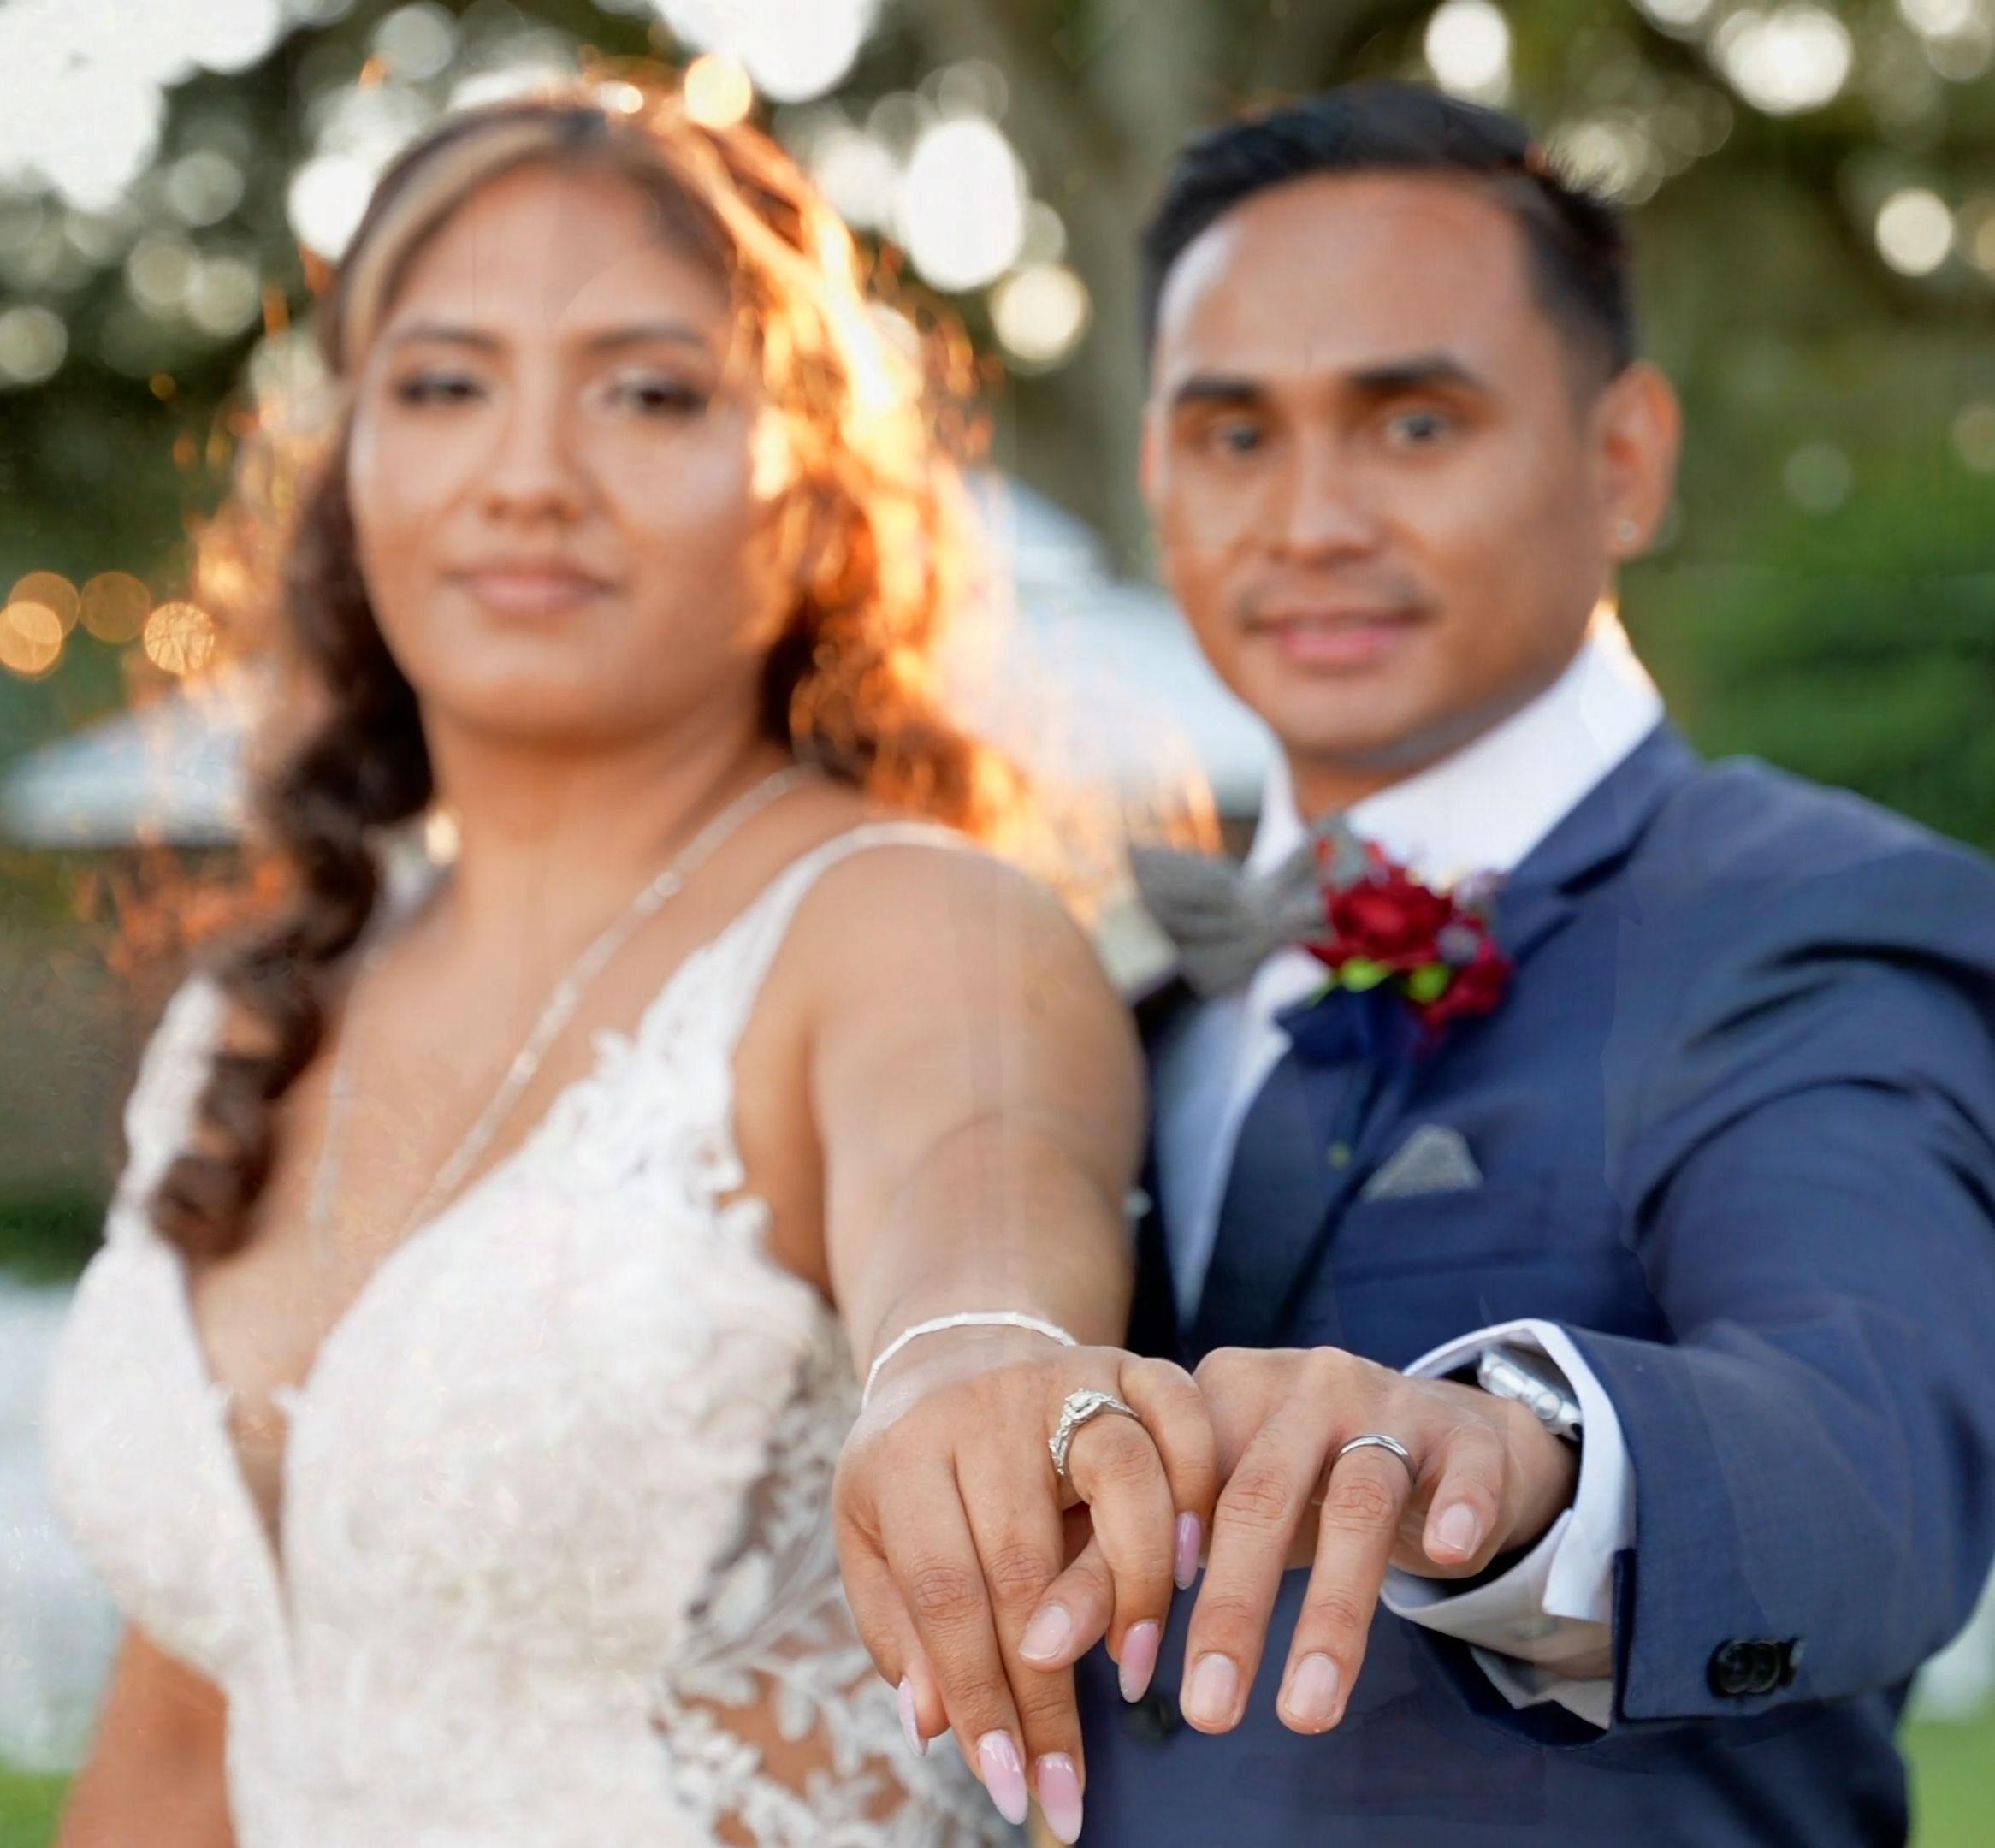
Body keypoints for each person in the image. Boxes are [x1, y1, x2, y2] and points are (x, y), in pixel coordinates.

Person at [42, 82, 1214, 1848]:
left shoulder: (910, 928)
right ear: (348, 474)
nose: (527, 477)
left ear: (815, 494)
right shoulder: (247, 1016)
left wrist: (976, 1360)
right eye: (444, 387)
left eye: (650, 392)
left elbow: (977, 1197)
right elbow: (184, 1736)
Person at [951, 81, 1995, 1844]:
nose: (1308, 520)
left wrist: (1506, 1458)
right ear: (1153, 474)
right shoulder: (1116, 1010)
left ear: (1623, 458)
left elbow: (1863, 1449)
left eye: (1413, 423)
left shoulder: (1813, 919)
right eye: (1232, 434)